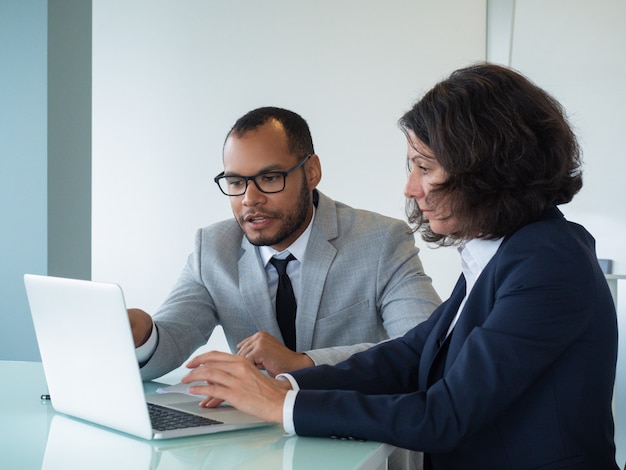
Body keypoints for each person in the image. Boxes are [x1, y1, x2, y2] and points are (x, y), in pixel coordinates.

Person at [180, 64, 619, 469]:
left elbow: (443, 414)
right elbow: (411, 355)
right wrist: (287, 387)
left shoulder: (547, 262)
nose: (410, 188)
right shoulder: (507, 250)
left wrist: (280, 407)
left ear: (491, 169)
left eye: (424, 167)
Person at [129, 106, 441, 382]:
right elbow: (169, 342)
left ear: (312, 172)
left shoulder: (381, 241)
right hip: (258, 441)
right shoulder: (212, 248)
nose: (250, 199)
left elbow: (425, 345)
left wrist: (305, 364)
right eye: (236, 182)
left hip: (356, 437)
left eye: (269, 178)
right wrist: (142, 334)